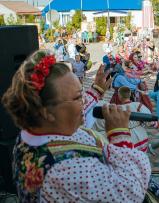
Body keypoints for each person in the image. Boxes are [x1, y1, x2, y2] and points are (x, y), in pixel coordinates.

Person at [1, 50, 151, 202]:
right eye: (79, 97)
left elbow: (75, 109)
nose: (85, 101)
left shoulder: (36, 130)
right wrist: (120, 135)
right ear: (46, 112)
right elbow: (131, 194)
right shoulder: (64, 169)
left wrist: (96, 91)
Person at [93, 86, 152, 153]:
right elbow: (151, 122)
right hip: (141, 137)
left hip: (121, 140)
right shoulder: (138, 105)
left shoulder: (111, 109)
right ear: (130, 94)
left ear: (119, 95)